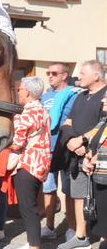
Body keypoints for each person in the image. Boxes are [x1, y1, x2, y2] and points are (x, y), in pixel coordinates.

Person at [56, 60, 107, 249]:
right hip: (76, 155)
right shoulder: (80, 96)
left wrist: (83, 141)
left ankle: (103, 239)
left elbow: (103, 123)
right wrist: (71, 141)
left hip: (97, 156)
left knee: (101, 197)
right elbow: (67, 121)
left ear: (96, 75)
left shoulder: (105, 95)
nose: (79, 77)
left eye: (83, 73)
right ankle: (80, 235)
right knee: (78, 195)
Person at [6, 76, 52, 249]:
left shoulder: (25, 114)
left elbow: (17, 144)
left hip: (27, 163)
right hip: (40, 163)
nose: (18, 92)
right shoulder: (43, 110)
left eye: (19, 89)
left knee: (28, 207)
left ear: (28, 92)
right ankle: (31, 244)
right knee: (30, 206)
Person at [40, 63, 79, 239]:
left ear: (65, 75)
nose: (50, 76)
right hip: (47, 148)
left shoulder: (74, 95)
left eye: (54, 73)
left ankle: (72, 228)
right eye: (48, 73)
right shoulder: (45, 95)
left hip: (65, 149)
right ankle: (49, 227)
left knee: (69, 191)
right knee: (48, 188)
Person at [82, 93, 107, 249]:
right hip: (100, 176)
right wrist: (88, 156)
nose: (103, 101)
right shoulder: (103, 121)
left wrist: (96, 158)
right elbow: (94, 142)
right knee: (103, 219)